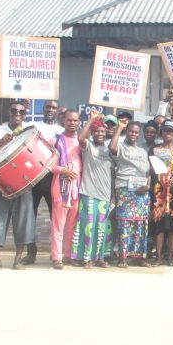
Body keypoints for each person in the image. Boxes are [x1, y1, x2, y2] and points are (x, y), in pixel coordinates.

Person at [0, 100, 36, 270]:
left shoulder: (30, 130)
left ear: (25, 115)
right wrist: (0, 141)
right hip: (2, 182)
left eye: (21, 112)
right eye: (14, 111)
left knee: (23, 220)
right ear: (9, 112)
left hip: (24, 182)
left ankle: (18, 260)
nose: (17, 114)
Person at [21, 99, 64, 265]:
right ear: (43, 109)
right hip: (33, 178)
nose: (50, 110)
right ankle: (31, 253)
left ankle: (56, 255)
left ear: (57, 111)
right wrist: (25, 109)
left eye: (53, 108)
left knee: (56, 218)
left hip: (52, 179)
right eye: (47, 107)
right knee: (29, 216)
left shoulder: (61, 131)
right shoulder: (32, 126)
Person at [70, 112, 112, 268]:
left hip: (105, 195)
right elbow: (81, 138)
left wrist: (112, 197)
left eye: (103, 131)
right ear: (92, 134)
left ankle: (99, 258)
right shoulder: (88, 147)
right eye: (97, 131)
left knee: (101, 229)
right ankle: (87, 258)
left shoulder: (108, 150)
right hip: (89, 193)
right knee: (88, 227)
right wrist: (92, 119)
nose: (100, 134)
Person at [109, 120, 151, 268]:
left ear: (139, 135)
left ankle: (139, 257)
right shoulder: (121, 147)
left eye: (136, 132)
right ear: (126, 133)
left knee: (140, 223)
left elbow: (148, 172)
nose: (133, 134)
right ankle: (123, 257)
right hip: (125, 189)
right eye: (131, 131)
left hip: (141, 191)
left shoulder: (142, 151)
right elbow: (111, 147)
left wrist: (148, 186)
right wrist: (120, 127)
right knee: (124, 222)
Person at [48, 110, 82, 269]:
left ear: (79, 122)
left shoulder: (81, 141)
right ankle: (57, 257)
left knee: (72, 226)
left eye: (75, 120)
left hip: (77, 189)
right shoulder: (55, 140)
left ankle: (68, 255)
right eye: (69, 120)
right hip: (60, 189)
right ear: (63, 121)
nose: (72, 123)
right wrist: (63, 170)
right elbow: (48, 165)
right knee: (58, 226)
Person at [149, 120, 173, 265]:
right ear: (161, 133)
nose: (168, 133)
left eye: (170, 130)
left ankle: (170, 256)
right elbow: (150, 169)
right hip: (159, 193)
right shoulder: (154, 149)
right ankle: (158, 257)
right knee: (159, 224)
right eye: (165, 130)